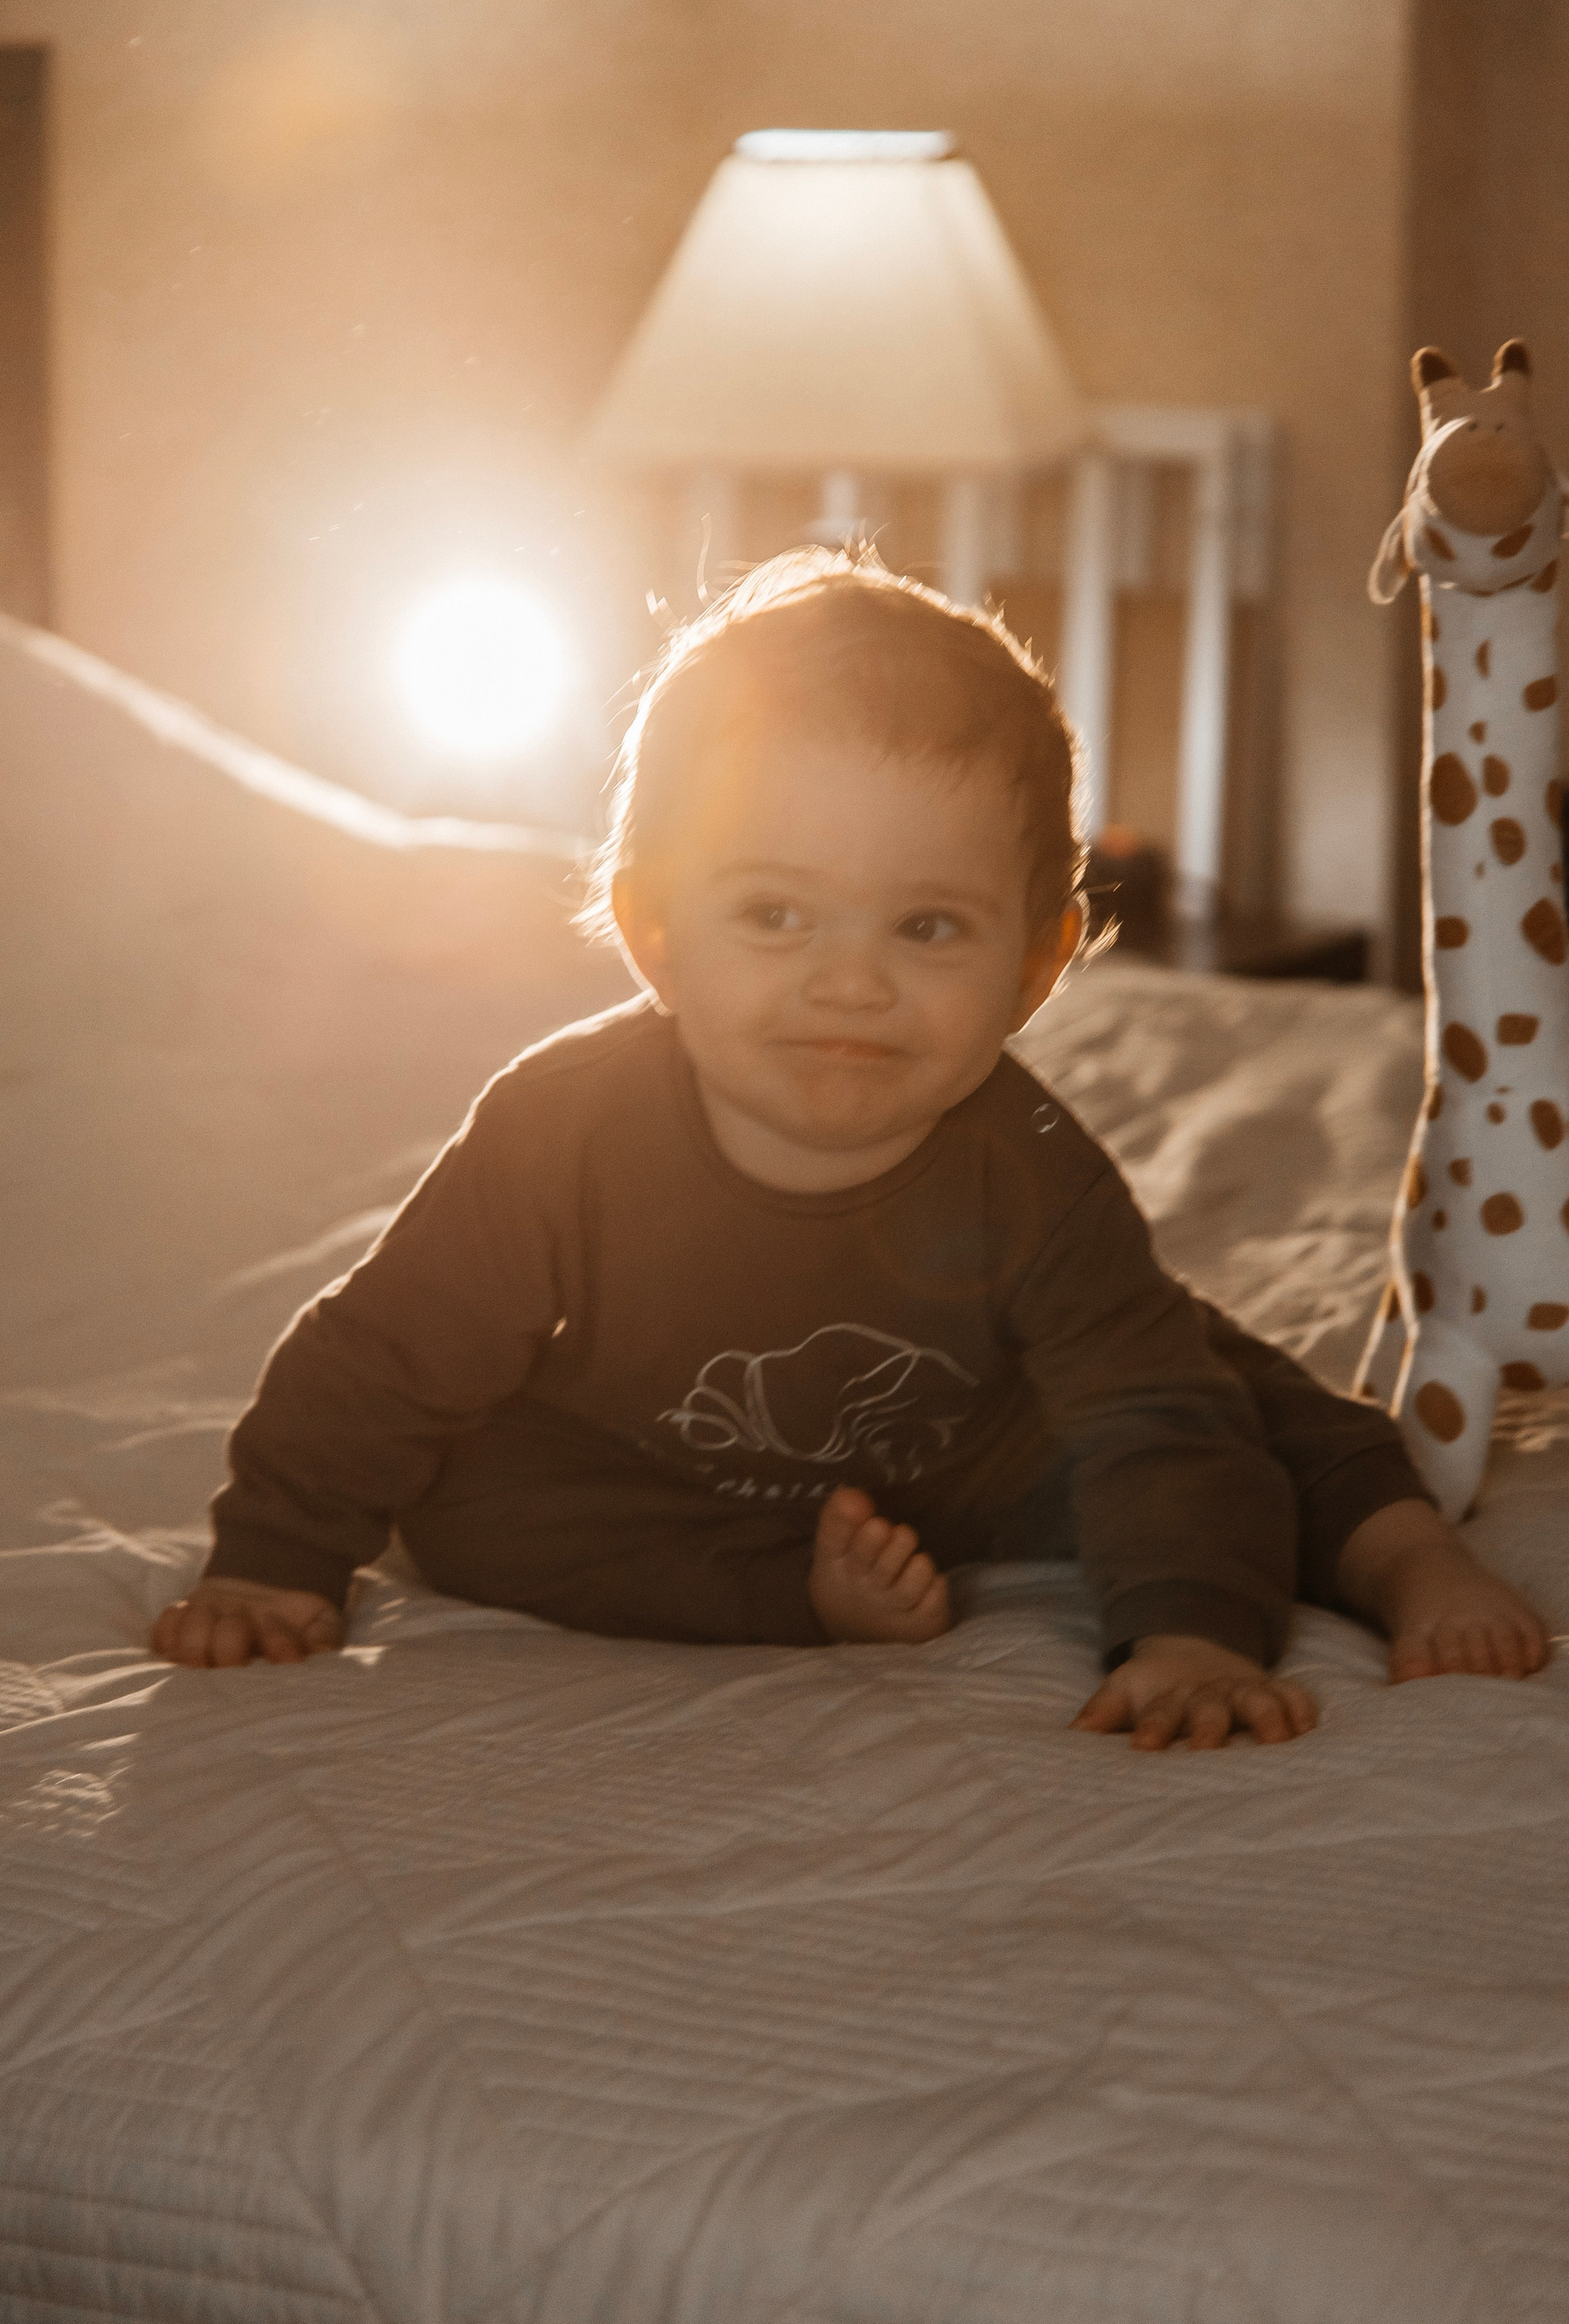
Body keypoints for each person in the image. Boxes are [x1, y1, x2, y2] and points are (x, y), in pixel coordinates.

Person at [152, 549, 1550, 1746]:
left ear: (1038, 965)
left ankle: (1406, 1555)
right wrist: (275, 1559)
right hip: (655, 1467)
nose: (850, 982)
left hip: (980, 1453)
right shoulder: (558, 1130)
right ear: (654, 932)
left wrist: (1191, 1637)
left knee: (1208, 1393)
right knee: (461, 1503)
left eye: (927, 927)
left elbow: (1152, 1428)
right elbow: (384, 1352)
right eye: (775, 916)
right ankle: (795, 1596)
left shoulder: (1031, 1167)